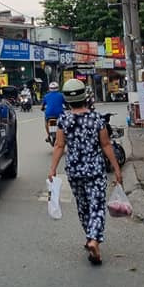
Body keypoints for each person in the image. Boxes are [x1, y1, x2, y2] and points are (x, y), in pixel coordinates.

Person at [48, 78, 123, 266]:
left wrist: (53, 169)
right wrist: (116, 168)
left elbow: (59, 145)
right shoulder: (96, 118)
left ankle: (89, 236)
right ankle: (94, 240)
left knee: (83, 207)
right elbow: (106, 145)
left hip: (74, 171)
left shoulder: (63, 119)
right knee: (97, 206)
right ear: (85, 97)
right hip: (95, 170)